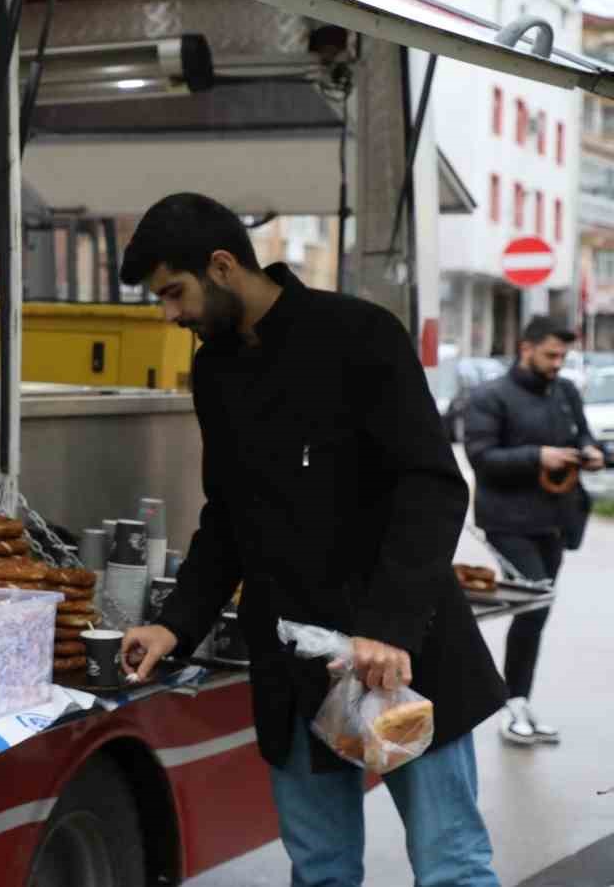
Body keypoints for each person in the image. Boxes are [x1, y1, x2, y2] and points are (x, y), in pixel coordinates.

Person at [119, 193, 504, 887]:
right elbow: (228, 514)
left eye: (175, 293)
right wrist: (175, 625)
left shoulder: (360, 335)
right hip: (295, 664)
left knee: (452, 868)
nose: (170, 315)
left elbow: (432, 485)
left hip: (400, 658)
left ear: (223, 265)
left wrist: (388, 628)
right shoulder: (215, 370)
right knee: (320, 871)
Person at [463, 315, 599, 746]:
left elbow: (585, 437)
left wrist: (593, 454)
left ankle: (519, 700)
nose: (558, 363)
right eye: (550, 354)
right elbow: (481, 457)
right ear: (526, 349)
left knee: (538, 610)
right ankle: (511, 704)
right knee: (534, 604)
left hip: (556, 520)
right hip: (507, 521)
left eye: (563, 356)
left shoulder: (566, 392)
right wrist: (537, 456)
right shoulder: (490, 396)